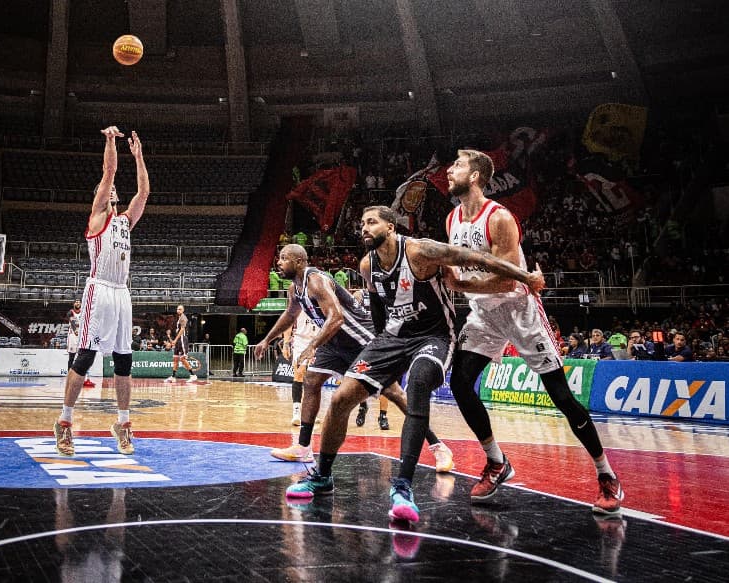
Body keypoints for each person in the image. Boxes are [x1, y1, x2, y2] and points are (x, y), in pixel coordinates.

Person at [282, 207, 543, 523]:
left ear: (391, 227)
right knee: (340, 398)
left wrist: (525, 277)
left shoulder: (420, 249)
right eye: (361, 222)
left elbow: (476, 258)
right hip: (392, 338)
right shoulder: (368, 265)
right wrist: (379, 348)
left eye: (371, 222)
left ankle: (403, 488)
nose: (363, 227)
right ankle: (323, 475)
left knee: (416, 385)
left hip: (433, 337)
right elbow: (378, 305)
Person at [443, 149, 622, 516]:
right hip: (483, 316)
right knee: (460, 383)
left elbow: (506, 279)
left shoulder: (500, 218)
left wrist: (462, 288)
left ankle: (607, 475)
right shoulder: (452, 219)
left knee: (561, 396)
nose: (449, 170)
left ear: (475, 176)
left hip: (519, 311)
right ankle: (497, 462)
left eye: (457, 166)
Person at [254, 243, 456, 473]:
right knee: (310, 381)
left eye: (283, 258)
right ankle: (303, 447)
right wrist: (267, 340)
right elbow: (290, 314)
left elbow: (337, 318)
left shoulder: (316, 280)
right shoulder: (294, 289)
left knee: (393, 393)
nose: (278, 263)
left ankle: (438, 446)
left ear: (299, 261)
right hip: (333, 344)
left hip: (359, 339)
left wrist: (312, 345)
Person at [54, 125, 150, 457]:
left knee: (124, 361)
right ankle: (65, 422)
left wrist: (138, 158)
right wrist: (111, 141)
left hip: (122, 292)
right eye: (104, 190)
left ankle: (123, 424)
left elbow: (144, 193)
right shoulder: (97, 217)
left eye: (111, 190)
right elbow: (109, 171)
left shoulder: (125, 220)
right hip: (99, 290)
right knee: (86, 357)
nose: (109, 190)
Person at [166, 305, 198, 381]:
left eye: (180, 309)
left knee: (183, 358)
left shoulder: (183, 318)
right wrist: (171, 338)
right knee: (175, 359)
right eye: (177, 309)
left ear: (183, 310)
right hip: (178, 340)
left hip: (182, 339)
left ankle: (193, 375)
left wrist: (175, 340)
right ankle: (173, 376)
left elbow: (182, 330)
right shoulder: (179, 318)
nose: (178, 310)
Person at [65, 300, 92, 385]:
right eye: (76, 302)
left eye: (79, 302)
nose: (77, 303)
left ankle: (82, 376)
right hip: (73, 336)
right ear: (74, 304)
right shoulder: (70, 312)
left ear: (81, 304)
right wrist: (77, 331)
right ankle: (69, 376)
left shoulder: (84, 312)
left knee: (82, 357)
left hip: (81, 336)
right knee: (71, 357)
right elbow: (73, 323)